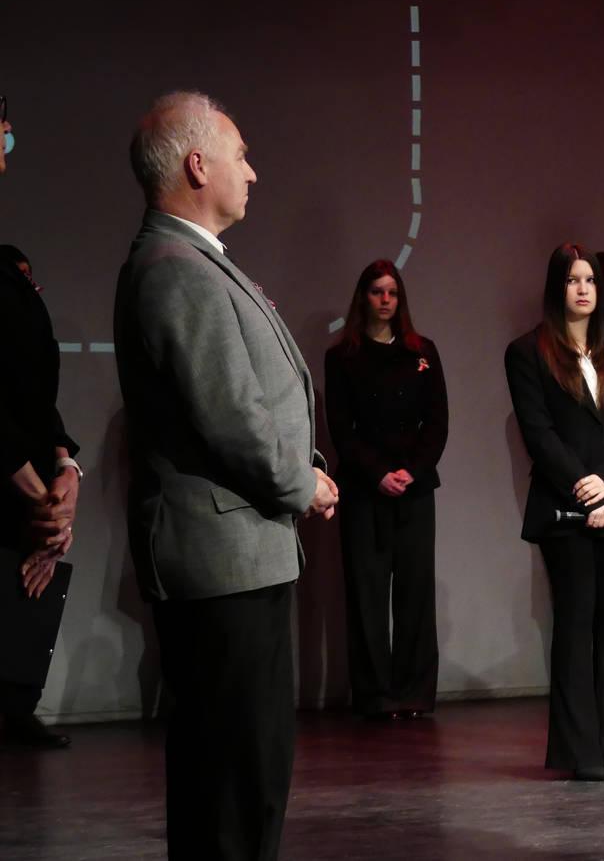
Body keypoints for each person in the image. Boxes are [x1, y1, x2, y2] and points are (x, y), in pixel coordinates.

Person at [113, 91, 338, 860]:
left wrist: (301, 468)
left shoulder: (191, 260)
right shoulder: (174, 269)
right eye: (241, 155)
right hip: (220, 563)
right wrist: (301, 482)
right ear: (198, 165)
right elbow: (231, 415)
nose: (253, 172)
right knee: (234, 781)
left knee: (246, 770)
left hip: (240, 555)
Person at [505, 244, 604, 782]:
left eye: (591, 280)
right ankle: (581, 752)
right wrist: (586, 489)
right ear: (556, 287)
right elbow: (538, 433)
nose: (583, 289)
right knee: (576, 623)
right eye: (572, 280)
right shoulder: (526, 351)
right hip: (565, 507)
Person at [324, 260, 447, 721]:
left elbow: (437, 422)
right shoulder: (343, 357)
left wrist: (411, 471)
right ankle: (375, 696)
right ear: (364, 297)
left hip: (414, 488)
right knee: (367, 593)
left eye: (392, 292)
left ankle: (414, 693)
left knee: (416, 592)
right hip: (364, 489)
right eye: (377, 291)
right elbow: (341, 428)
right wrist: (378, 473)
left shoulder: (423, 351)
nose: (385, 300)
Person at [0, 111, 81, 751]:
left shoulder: (17, 292)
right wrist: (42, 500)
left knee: (29, 591)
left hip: (23, 486)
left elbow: (35, 398)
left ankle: (16, 706)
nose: (7, 148)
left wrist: (65, 474)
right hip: (9, 484)